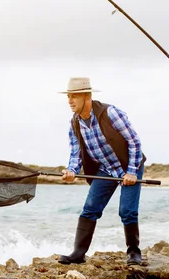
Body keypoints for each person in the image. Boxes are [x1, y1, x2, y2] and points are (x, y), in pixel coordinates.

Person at [58, 77, 146, 266]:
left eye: (74, 96)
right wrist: (71, 170)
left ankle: (134, 253)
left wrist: (131, 172)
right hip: (105, 169)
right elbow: (76, 153)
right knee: (89, 210)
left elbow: (134, 142)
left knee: (127, 211)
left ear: (87, 97)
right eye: (68, 96)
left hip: (130, 166)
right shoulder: (74, 123)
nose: (70, 101)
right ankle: (78, 254)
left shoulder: (110, 113)